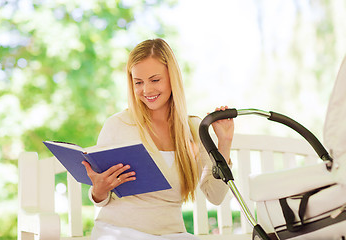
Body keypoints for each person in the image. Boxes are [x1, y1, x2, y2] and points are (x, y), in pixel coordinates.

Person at [82, 38, 234, 240]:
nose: (146, 90)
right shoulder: (118, 125)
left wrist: (224, 142)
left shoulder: (194, 128)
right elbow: (100, 198)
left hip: (172, 234)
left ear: (173, 78)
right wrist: (99, 190)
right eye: (138, 82)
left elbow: (215, 196)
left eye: (155, 80)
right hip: (118, 232)